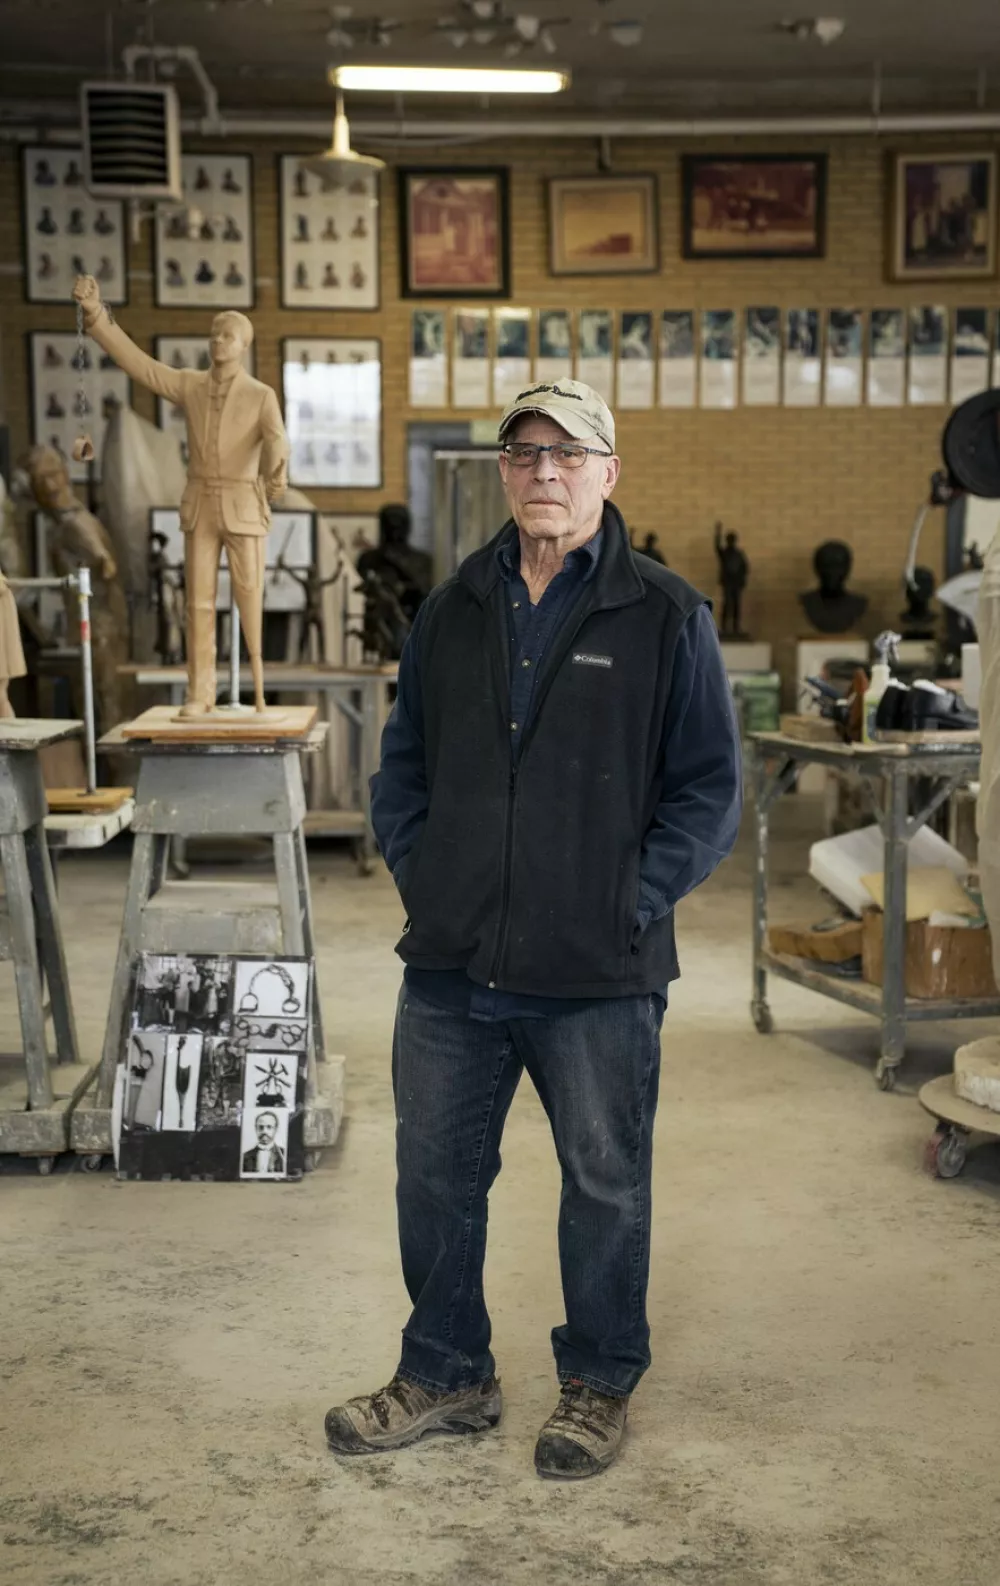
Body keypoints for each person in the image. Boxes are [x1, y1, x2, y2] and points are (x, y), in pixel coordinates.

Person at [324, 380, 743, 1480]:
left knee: (604, 1180)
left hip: (597, 970)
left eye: (568, 451)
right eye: (523, 453)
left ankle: (598, 1380)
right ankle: (447, 1367)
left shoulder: (666, 614)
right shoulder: (454, 606)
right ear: (504, 473)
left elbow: (708, 792)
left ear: (609, 470)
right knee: (433, 1176)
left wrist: (626, 900)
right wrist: (431, 879)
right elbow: (403, 764)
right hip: (456, 962)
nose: (543, 469)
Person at [72, 274, 289, 716]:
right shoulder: (191, 384)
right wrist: (96, 316)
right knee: (198, 602)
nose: (218, 342)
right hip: (200, 504)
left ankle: (259, 689)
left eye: (227, 336)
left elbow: (277, 438)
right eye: (214, 335)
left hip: (243, 503)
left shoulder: (261, 395)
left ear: (243, 344)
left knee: (250, 596)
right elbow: (142, 366)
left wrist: (275, 471)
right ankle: (200, 692)